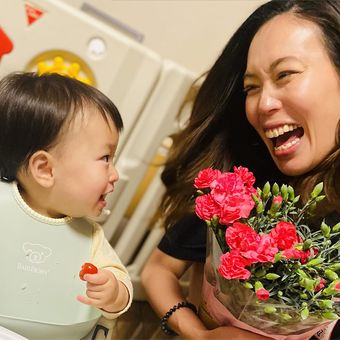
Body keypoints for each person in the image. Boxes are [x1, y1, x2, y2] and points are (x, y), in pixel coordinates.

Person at [141, 0, 340, 339]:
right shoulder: (238, 188)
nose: (263, 104)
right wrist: (200, 335)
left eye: (285, 75)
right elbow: (159, 269)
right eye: (251, 87)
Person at [0, 72, 133, 337]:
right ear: (45, 169)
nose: (115, 174)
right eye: (105, 157)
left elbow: (121, 281)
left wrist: (114, 291)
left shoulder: (90, 236)